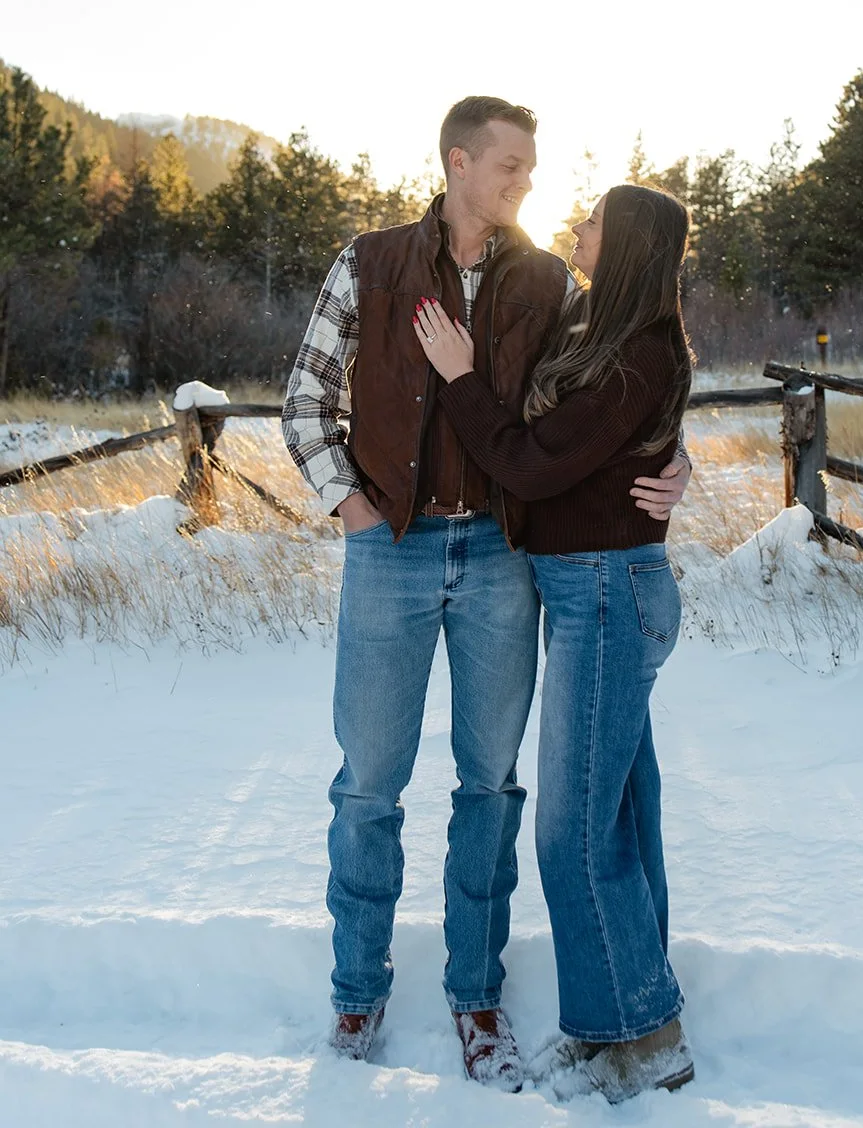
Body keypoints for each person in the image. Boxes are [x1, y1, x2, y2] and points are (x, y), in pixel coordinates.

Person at [281, 98, 692, 1089]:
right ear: (458, 161)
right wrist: (351, 508)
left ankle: (475, 997)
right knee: (367, 787)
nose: (523, 185)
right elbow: (303, 399)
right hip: (390, 552)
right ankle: (355, 991)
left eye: (531, 170)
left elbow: (613, 387)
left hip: (503, 559)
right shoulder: (371, 260)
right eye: (508, 166)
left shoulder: (547, 279)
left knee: (492, 790)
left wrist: (675, 457)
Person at [411, 182, 695, 1103]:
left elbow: (532, 461)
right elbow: (595, 445)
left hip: (608, 595)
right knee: (614, 814)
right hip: (594, 590)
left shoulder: (637, 354)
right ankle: (620, 1015)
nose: (574, 227)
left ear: (629, 247)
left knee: (571, 828)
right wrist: (672, 458)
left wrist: (457, 378)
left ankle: (642, 1041)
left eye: (593, 223)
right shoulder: (600, 335)